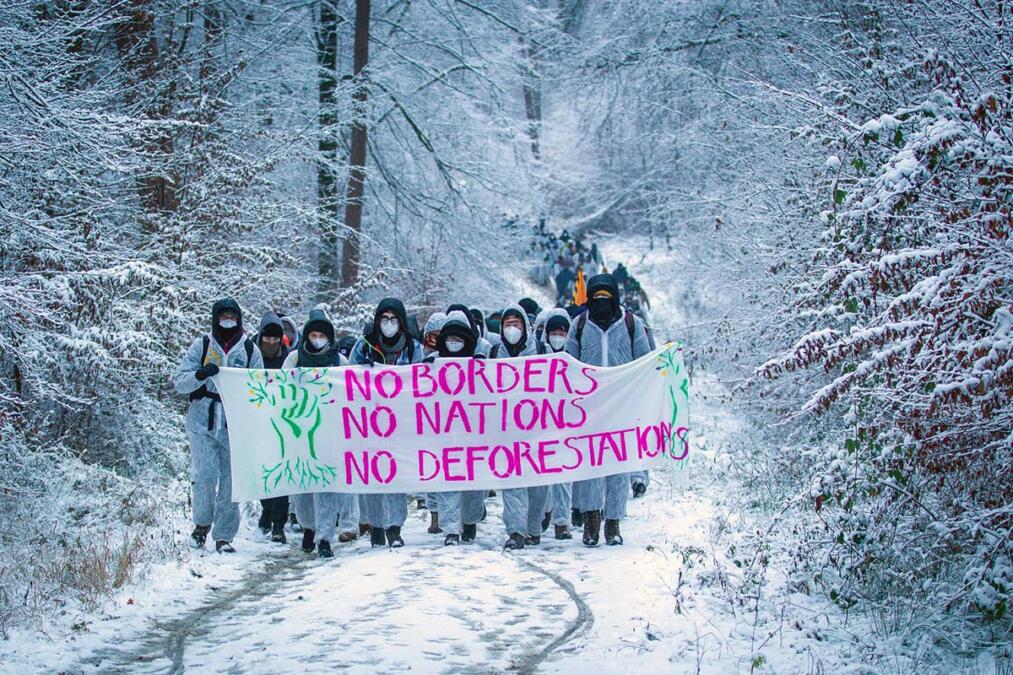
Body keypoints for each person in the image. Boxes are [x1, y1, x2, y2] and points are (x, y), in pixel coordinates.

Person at [566, 274, 651, 546]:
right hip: (589, 407)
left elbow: (644, 361)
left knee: (619, 463)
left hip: (622, 405)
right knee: (591, 464)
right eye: (597, 296)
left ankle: (613, 521)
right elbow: (567, 363)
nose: (602, 301)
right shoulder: (579, 324)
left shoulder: (631, 324)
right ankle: (592, 518)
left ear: (614, 297)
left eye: (607, 297)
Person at [173, 298, 263, 553]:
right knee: (204, 474)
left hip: (235, 421)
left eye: (232, 316)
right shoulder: (202, 345)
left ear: (239, 319)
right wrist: (200, 375)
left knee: (231, 480)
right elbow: (179, 382)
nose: (227, 321)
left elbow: (259, 387)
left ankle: (224, 536)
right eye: (223, 316)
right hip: (202, 417)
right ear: (215, 318)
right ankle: (201, 526)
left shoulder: (248, 350)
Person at [349, 298, 423, 547]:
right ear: (377, 320)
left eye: (393, 319)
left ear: (401, 322)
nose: (388, 324)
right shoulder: (364, 345)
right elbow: (348, 379)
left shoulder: (413, 348)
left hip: (400, 421)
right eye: (384, 318)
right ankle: (376, 525)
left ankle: (395, 527)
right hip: (369, 421)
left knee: (395, 472)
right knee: (374, 474)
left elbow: (421, 381)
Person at [283, 308, 356, 559]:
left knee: (327, 482)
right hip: (300, 428)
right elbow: (281, 388)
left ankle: (325, 536)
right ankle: (308, 526)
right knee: (302, 482)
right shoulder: (294, 358)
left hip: (330, 429)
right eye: (312, 335)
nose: (317, 339)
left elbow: (351, 391)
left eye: (321, 335)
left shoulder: (340, 362)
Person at [424, 311, 487, 545]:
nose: (453, 344)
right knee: (447, 480)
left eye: (458, 340)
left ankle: (470, 521)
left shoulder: (480, 365)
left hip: (473, 434)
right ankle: (450, 528)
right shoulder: (429, 366)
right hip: (443, 432)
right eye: (449, 339)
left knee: (472, 483)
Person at [492, 303, 548, 550]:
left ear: (525, 327)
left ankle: (533, 528)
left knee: (537, 483)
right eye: (507, 324)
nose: (512, 329)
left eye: (516, 324)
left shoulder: (542, 352)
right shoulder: (494, 354)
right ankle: (515, 531)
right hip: (505, 429)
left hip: (537, 428)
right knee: (512, 481)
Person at [254, 312, 291, 544]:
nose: (270, 343)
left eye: (275, 339)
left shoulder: (288, 359)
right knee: (262, 471)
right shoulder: (251, 354)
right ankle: (266, 509)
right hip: (257, 421)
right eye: (266, 338)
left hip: (283, 421)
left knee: (282, 473)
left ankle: (279, 523)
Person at [539, 310, 574, 540]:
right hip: (540, 423)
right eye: (554, 332)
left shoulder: (575, 357)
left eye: (562, 332)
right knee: (542, 475)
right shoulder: (536, 356)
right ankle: (543, 511)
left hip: (568, 424)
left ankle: (562, 522)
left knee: (564, 476)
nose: (558, 336)